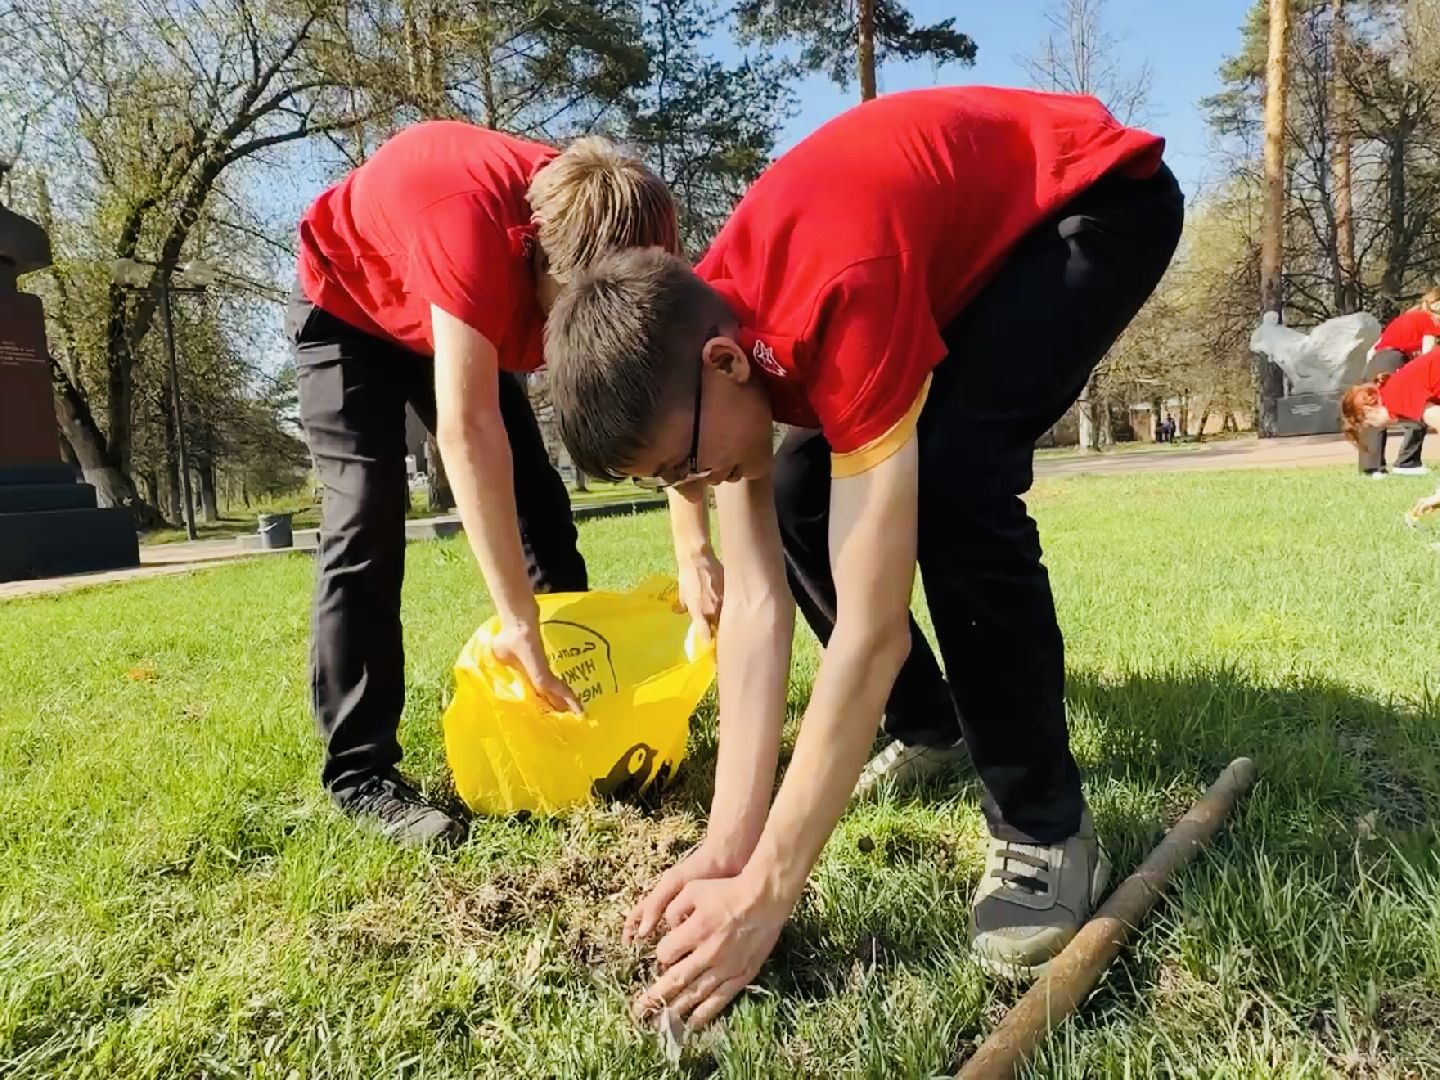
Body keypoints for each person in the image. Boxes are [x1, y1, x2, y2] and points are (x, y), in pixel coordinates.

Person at [544, 87, 1182, 1025]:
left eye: (687, 463)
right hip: (959, 254)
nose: (699, 480)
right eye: (670, 479)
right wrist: (730, 841)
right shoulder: (703, 332)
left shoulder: (839, 293)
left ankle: (1045, 828)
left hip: (1092, 202)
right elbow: (758, 606)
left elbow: (871, 632)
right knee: (800, 489)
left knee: (959, 479)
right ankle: (932, 727)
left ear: (725, 363)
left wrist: (768, 893)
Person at [290, 123, 712, 845]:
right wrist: (515, 619)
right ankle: (360, 772)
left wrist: (694, 549)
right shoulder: (466, 224)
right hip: (351, 310)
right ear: (535, 254)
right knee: (366, 512)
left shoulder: (641, 226)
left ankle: (579, 697)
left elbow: (670, 387)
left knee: (542, 508)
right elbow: (467, 429)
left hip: (456, 299)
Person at [1360, 290, 1440, 477]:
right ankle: (1407, 462)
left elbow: (1372, 349)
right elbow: (1428, 356)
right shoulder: (1430, 320)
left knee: (1374, 411)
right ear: (1435, 304)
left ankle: (1373, 468)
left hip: (1377, 360)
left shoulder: (1406, 317)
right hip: (1394, 360)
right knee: (1418, 407)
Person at [1341, 348, 1440, 458]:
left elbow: (1437, 417)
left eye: (1370, 424)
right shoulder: (1392, 389)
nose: (1375, 426)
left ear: (1368, 410)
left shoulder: (1394, 400)